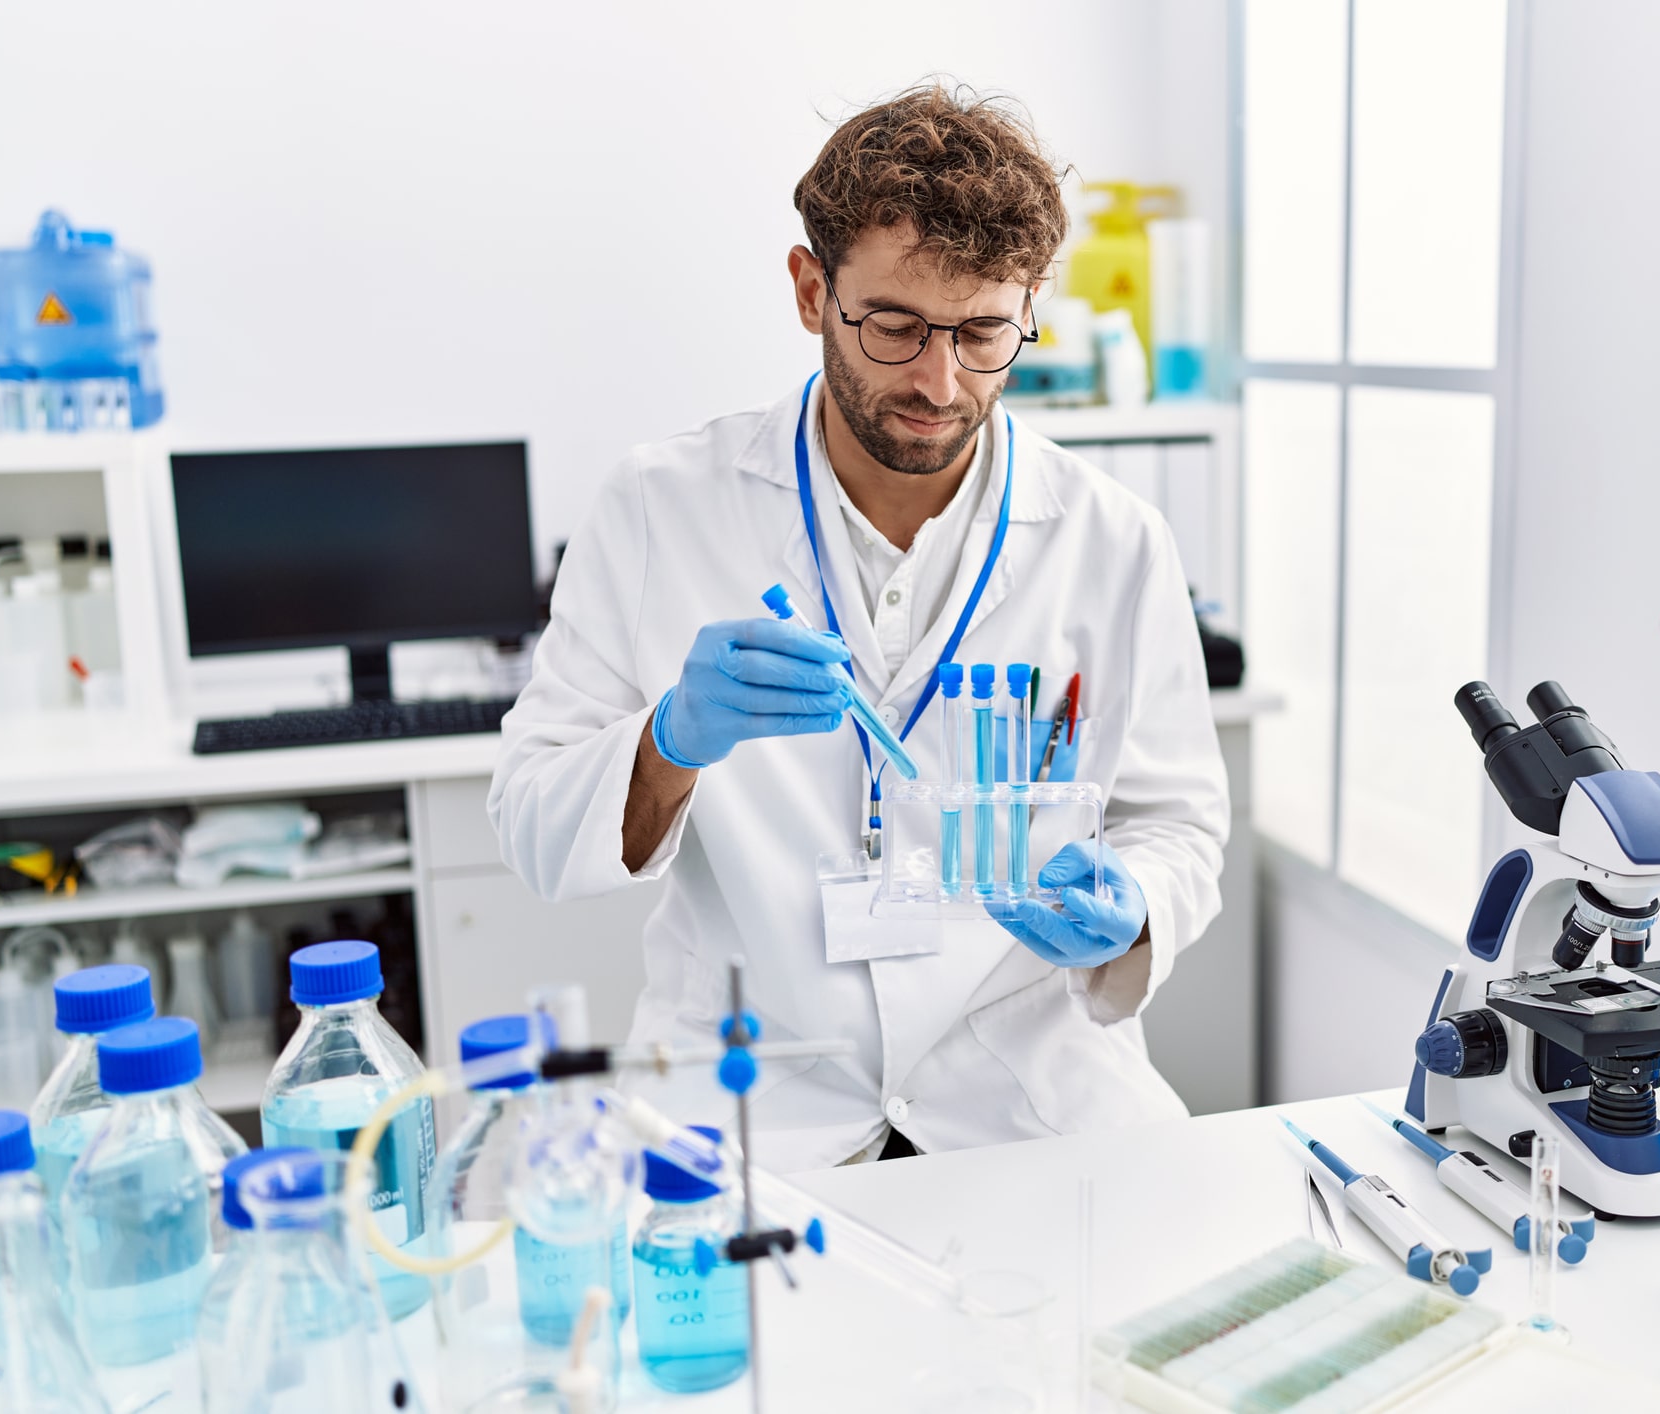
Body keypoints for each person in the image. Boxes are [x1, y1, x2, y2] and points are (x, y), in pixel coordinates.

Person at [490, 83, 1229, 1171]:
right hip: (754, 1097)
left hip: (1026, 1096)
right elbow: (532, 825)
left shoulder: (1112, 541)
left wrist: (1135, 903)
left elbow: (1179, 825)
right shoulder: (660, 509)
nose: (940, 381)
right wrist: (667, 743)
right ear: (809, 289)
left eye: (985, 332)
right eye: (895, 325)